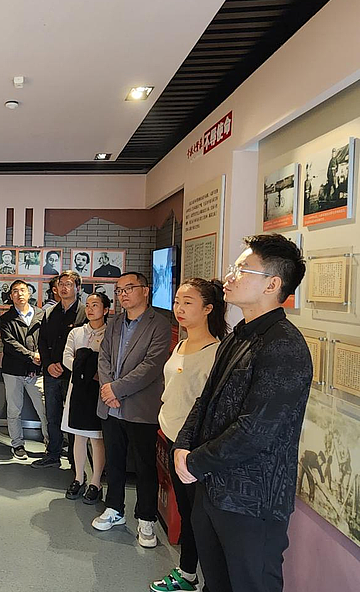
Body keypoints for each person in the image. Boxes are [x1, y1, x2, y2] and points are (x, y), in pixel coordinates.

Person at [174, 234, 311, 592]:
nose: (229, 277)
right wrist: (182, 445)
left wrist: (194, 462)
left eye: (242, 269)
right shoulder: (237, 336)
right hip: (212, 488)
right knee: (216, 582)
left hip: (251, 502)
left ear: (272, 284)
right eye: (233, 268)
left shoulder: (284, 346)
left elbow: (256, 430)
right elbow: (206, 399)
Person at [150, 278, 227, 592]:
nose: (179, 309)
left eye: (188, 302)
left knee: (199, 516)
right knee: (185, 511)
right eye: (177, 301)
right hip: (172, 437)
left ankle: (199, 576)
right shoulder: (181, 343)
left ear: (208, 308)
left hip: (194, 446)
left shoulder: (216, 352)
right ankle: (188, 573)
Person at [93, 271, 171, 548]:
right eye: (119, 290)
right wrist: (108, 389)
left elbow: (151, 366)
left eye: (129, 288)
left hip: (140, 407)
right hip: (110, 406)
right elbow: (104, 357)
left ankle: (146, 518)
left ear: (145, 291)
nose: (123, 294)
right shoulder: (115, 322)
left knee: (144, 466)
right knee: (114, 461)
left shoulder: (159, 324)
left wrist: (116, 389)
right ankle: (114, 508)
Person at [32, 270, 87, 468]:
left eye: (69, 284)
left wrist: (65, 366)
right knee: (52, 415)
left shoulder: (84, 312)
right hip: (51, 373)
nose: (64, 288)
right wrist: (48, 364)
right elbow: (42, 341)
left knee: (72, 417)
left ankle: (75, 460)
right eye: (61, 284)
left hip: (73, 374)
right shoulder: (50, 312)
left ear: (78, 288)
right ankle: (53, 453)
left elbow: (86, 346)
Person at [62, 293, 110, 504]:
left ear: (105, 310)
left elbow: (109, 363)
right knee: (78, 436)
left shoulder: (110, 333)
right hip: (78, 389)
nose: (90, 309)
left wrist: (89, 370)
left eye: (95, 305)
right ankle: (78, 478)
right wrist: (84, 370)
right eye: (88, 305)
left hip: (98, 390)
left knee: (97, 438)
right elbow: (67, 357)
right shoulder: (76, 332)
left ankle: (96, 482)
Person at [0, 280, 49, 459]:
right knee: (14, 411)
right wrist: (31, 355)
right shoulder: (6, 318)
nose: (19, 294)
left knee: (45, 410)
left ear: (29, 293)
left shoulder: (41, 314)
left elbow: (47, 339)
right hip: (13, 371)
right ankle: (17, 444)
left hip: (37, 371)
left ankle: (51, 444)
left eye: (22, 290)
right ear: (10, 296)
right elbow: (10, 343)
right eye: (15, 291)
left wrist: (41, 356)